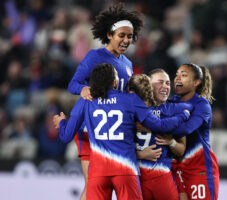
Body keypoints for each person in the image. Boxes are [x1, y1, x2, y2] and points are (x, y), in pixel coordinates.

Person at [53, 63, 191, 200]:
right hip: (125, 170)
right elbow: (160, 126)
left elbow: (65, 136)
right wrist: (183, 116)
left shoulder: (86, 101)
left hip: (98, 171)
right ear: (114, 82)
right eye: (117, 76)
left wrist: (62, 122)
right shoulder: (130, 99)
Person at [67, 3, 143, 199]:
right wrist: (84, 88)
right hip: (92, 129)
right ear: (109, 35)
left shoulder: (128, 64)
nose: (126, 40)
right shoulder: (95, 56)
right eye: (122, 35)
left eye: (129, 36)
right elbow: (73, 84)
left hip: (115, 132)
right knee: (92, 186)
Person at [134, 68, 187, 200]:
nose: (165, 86)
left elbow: (181, 150)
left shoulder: (174, 110)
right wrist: (140, 154)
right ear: (148, 85)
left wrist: (171, 142)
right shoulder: (132, 108)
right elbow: (117, 145)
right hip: (135, 176)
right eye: (160, 82)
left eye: (168, 83)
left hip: (161, 174)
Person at [170, 63, 219, 200]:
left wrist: (160, 127)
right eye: (177, 75)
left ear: (196, 82)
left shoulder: (202, 105)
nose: (178, 78)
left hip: (199, 169)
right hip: (177, 168)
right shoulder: (171, 102)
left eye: (184, 75)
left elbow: (186, 128)